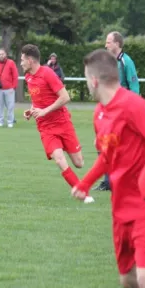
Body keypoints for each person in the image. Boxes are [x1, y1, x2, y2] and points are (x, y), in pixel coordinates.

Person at [72, 49, 145, 288]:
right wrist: (85, 183)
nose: (87, 85)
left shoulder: (133, 105)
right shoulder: (99, 113)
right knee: (129, 281)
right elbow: (107, 158)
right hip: (121, 208)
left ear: (94, 81)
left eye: (86, 79)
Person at [20, 44, 94, 203]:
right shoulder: (28, 77)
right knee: (60, 159)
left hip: (62, 123)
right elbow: (38, 102)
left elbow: (65, 97)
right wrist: (31, 111)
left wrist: (45, 111)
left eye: (22, 60)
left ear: (31, 60)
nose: (21, 63)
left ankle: (68, 149)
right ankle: (82, 193)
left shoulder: (48, 73)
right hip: (45, 128)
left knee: (79, 163)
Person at [95, 31, 140, 192]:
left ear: (117, 44)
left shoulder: (127, 62)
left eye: (108, 42)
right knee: (104, 144)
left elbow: (134, 87)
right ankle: (108, 182)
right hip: (107, 109)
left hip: (122, 111)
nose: (105, 45)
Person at [0, 48, 18, 127]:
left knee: (10, 106)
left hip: (9, 89)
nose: (1, 55)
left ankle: (10, 121)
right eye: (0, 54)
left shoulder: (11, 63)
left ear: (5, 54)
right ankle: (0, 121)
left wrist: (13, 87)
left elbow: (15, 75)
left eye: (2, 54)